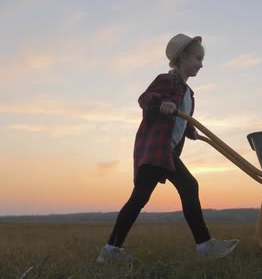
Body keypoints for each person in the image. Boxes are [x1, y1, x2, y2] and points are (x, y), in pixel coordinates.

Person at [96, 33, 239, 263]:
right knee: (186, 186)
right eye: (197, 58)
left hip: (166, 152)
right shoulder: (168, 81)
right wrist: (162, 103)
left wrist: (188, 130)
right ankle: (205, 246)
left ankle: (111, 250)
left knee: (141, 197)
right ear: (182, 57)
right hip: (156, 149)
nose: (201, 64)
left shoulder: (189, 93)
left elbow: (178, 120)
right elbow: (145, 99)